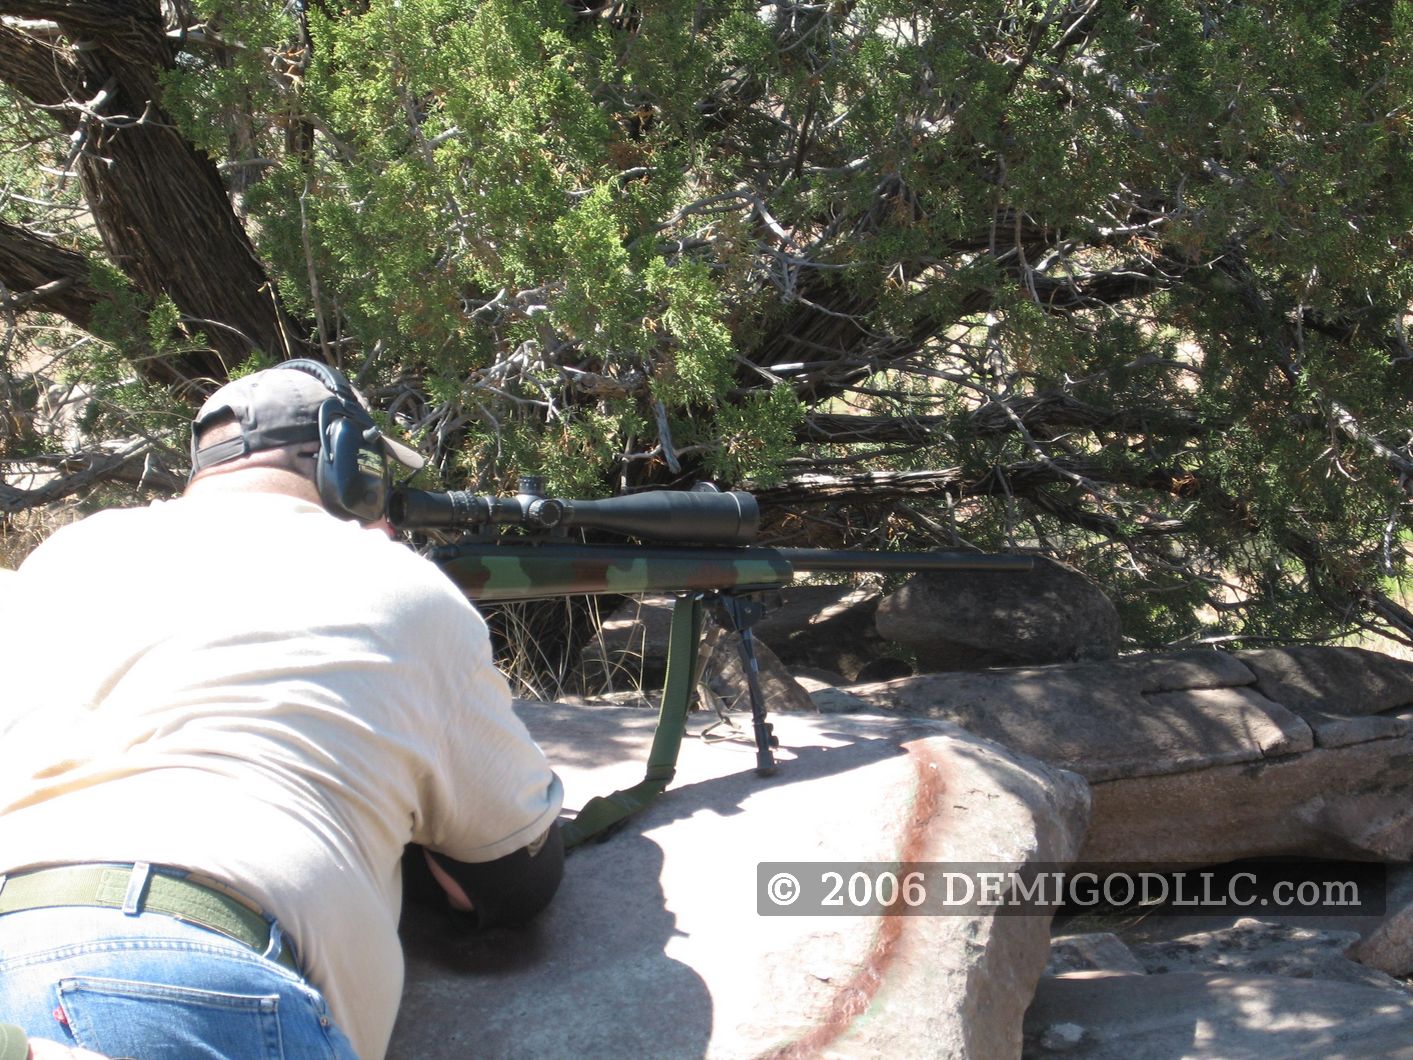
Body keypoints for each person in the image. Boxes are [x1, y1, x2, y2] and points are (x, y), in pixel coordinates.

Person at [0, 360, 565, 1058]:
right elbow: (509, 873)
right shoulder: (399, 584)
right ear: (348, 459)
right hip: (199, 976)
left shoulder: (64, 556)